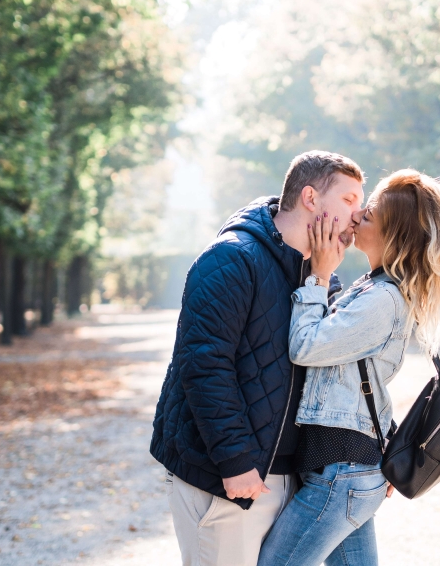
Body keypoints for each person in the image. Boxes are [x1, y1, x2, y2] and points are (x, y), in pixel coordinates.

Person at [149, 150, 365, 566]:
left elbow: (340, 370)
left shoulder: (320, 277)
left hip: (291, 482)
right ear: (309, 198)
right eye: (349, 200)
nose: (358, 215)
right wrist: (235, 461)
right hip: (227, 479)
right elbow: (204, 364)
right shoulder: (230, 259)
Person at [257, 169, 440, 566]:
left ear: (394, 237)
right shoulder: (370, 287)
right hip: (349, 471)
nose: (357, 217)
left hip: (342, 476)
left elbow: (306, 346)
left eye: (369, 216)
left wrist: (320, 275)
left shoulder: (383, 299)